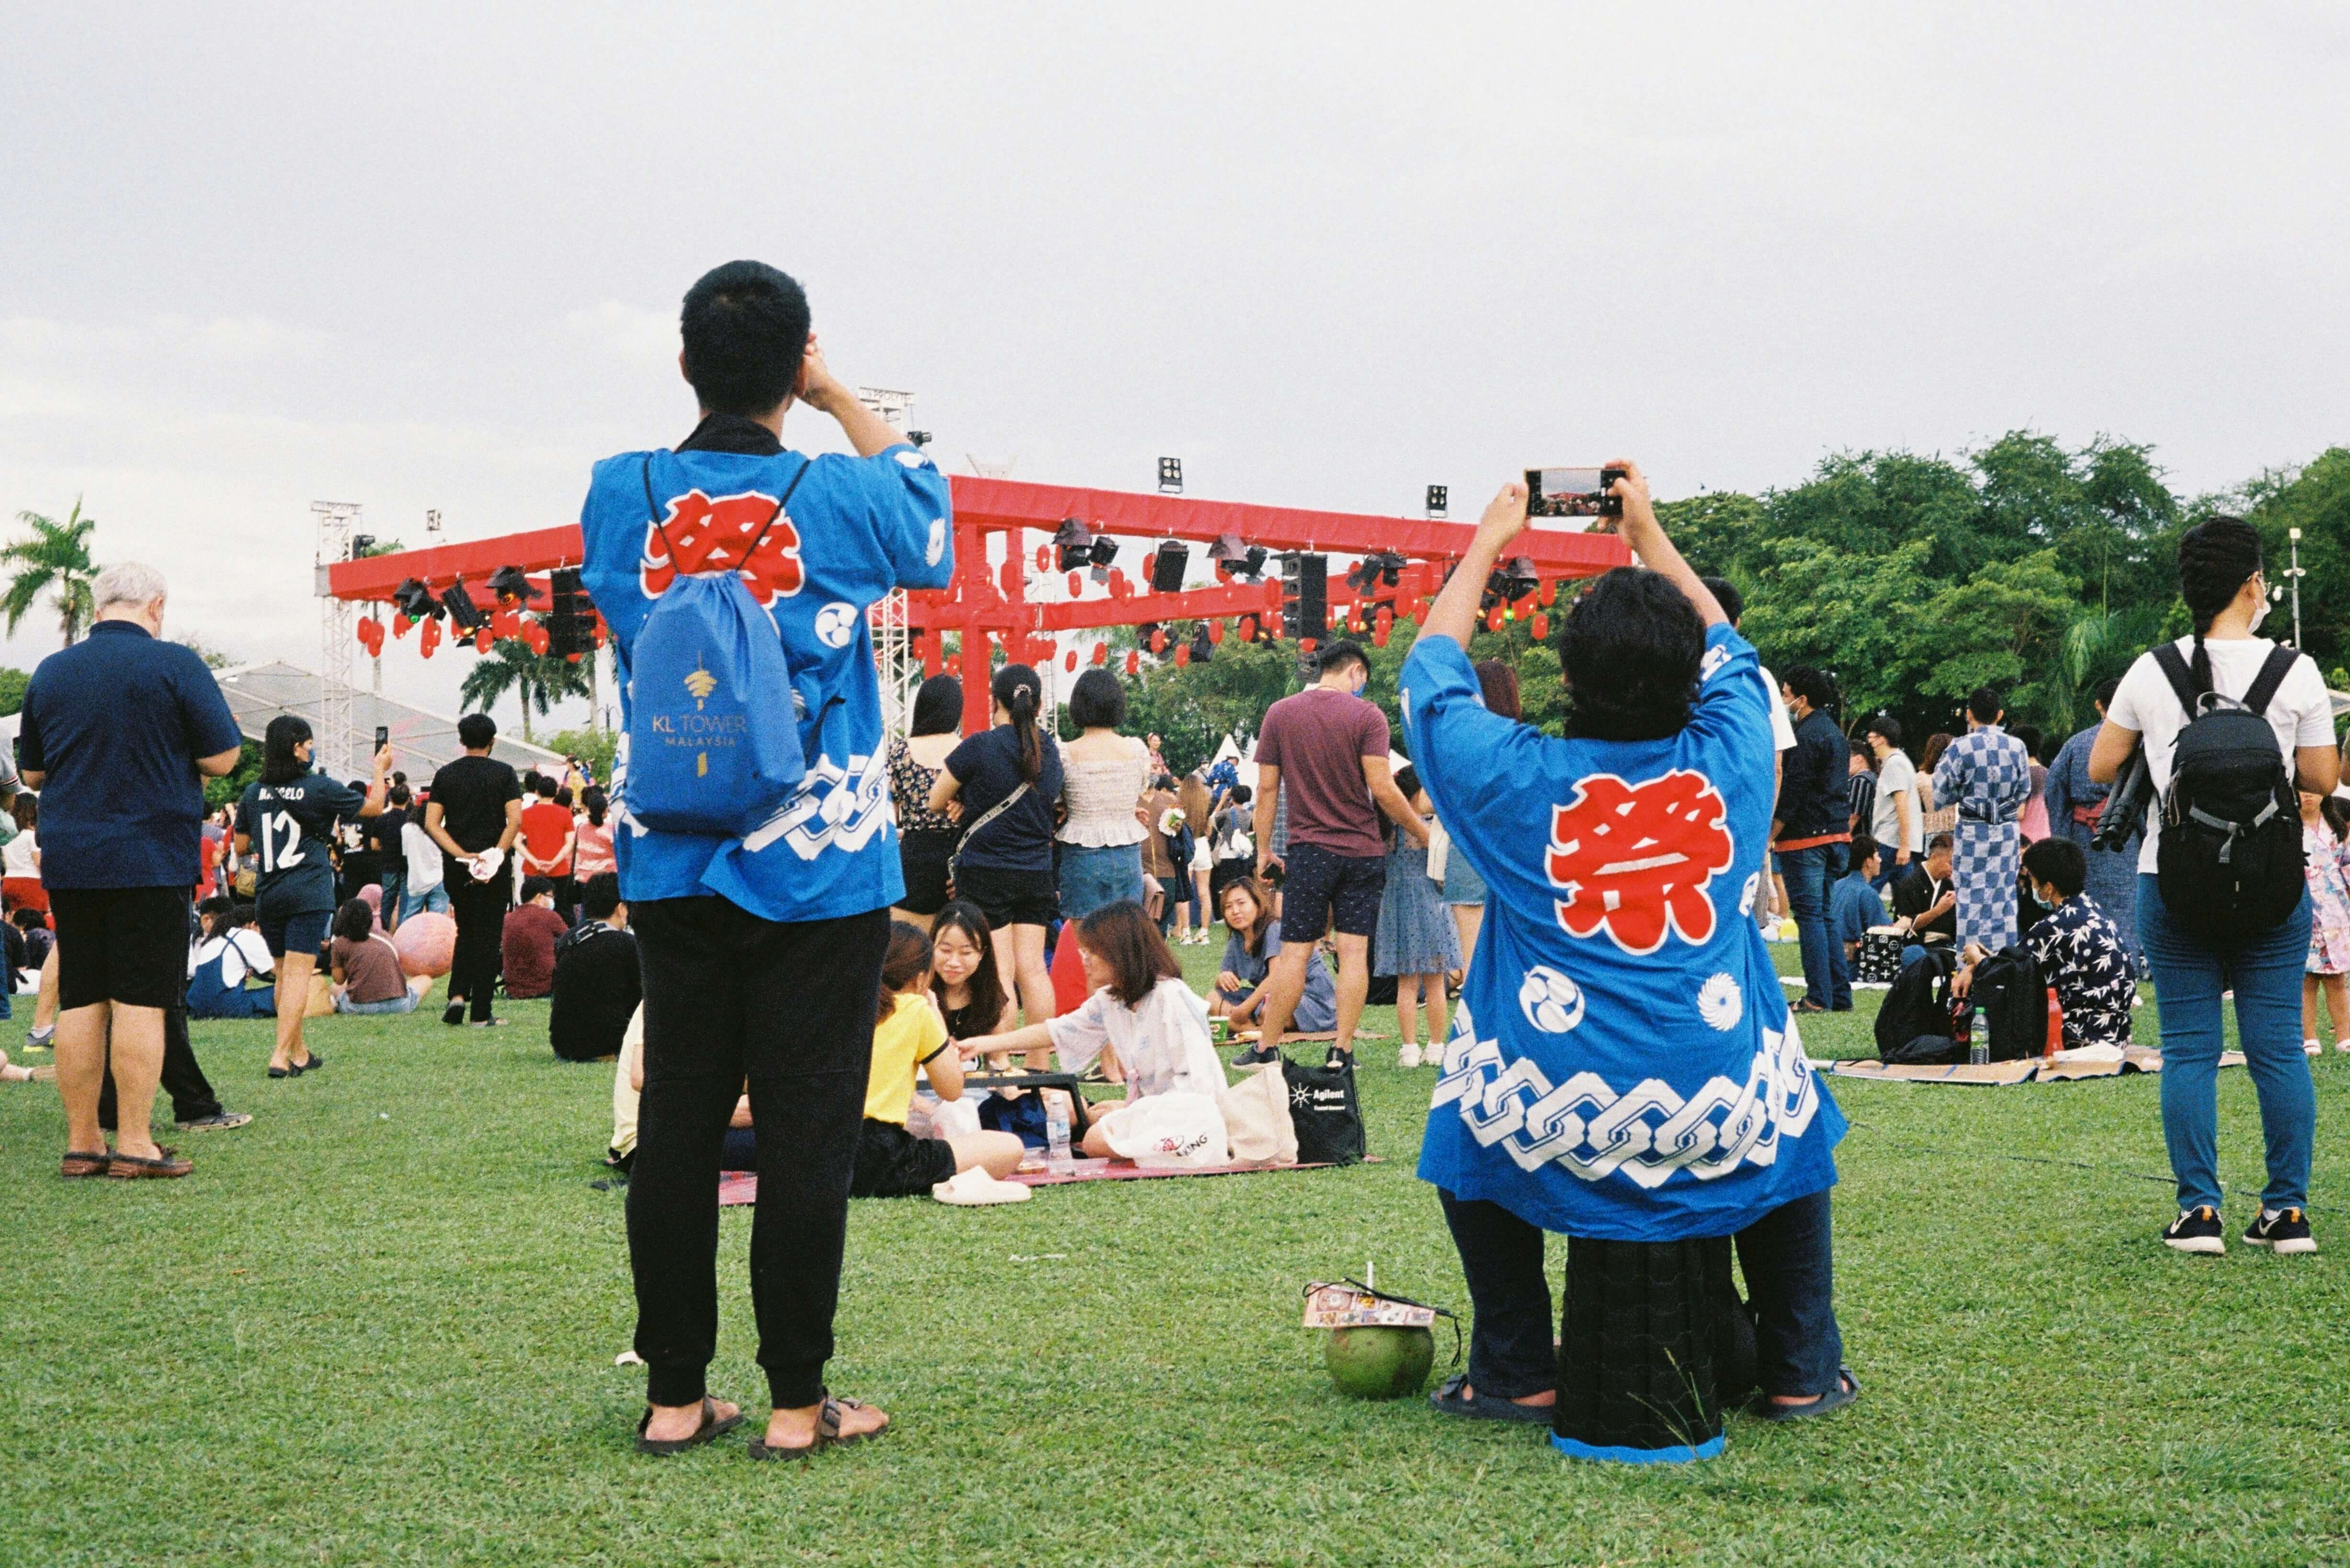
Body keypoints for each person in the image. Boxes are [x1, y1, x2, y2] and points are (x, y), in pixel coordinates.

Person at [579, 259, 952, 1457]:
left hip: (673, 853)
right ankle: (798, 1399)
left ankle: (675, 1393)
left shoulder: (616, 493)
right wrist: (837, 393)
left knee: (679, 1119)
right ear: (794, 362)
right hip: (819, 860)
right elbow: (929, 517)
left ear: (685, 362)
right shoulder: (841, 498)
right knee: (806, 1131)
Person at [1403, 467, 1853, 1426]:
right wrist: (1644, 532)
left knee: (1459, 1116)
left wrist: (1486, 540)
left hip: (1547, 1113)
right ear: (1692, 678)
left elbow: (1431, 676)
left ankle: (1516, 1366)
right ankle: (1799, 1367)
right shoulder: (1732, 750)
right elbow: (1738, 658)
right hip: (1721, 1105)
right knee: (1796, 1121)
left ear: (1566, 679)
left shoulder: (1513, 777)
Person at [2093, 515, 2336, 1257]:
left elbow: (2103, 767)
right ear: (2253, 582)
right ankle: (2285, 1212)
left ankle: (2199, 1211)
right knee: (2278, 1053)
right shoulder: (2293, 670)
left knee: (2190, 1050)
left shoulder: (2150, 668)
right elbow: (2322, 779)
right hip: (2271, 887)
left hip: (2174, 883)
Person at [20, 562, 246, 1179]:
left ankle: (83, 1141)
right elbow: (224, 757)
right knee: (142, 1000)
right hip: (149, 855)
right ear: (157, 605)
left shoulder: (51, 670)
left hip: (72, 856)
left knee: (82, 999)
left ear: (97, 607)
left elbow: (33, 775)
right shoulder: (176, 663)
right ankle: (138, 1142)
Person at [1244, 639, 1426, 1066]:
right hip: (1362, 852)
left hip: (1309, 852)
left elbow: (1267, 790)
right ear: (1356, 672)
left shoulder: (1280, 713)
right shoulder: (1368, 716)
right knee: (1352, 953)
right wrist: (1423, 831)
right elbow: (1382, 788)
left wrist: (1263, 850)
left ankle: (1266, 1049)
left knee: (1295, 953)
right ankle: (1341, 1051)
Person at [959, 901, 1226, 1159]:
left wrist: (1136, 1111)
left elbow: (1197, 1089)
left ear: (1120, 952)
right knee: (1083, 1112)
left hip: (1191, 1116)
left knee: (1096, 1138)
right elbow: (1057, 1031)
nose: (1083, 959)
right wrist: (984, 1044)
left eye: (1091, 952)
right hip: (1154, 1111)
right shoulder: (1112, 999)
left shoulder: (1171, 997)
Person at [236, 715, 393, 1076]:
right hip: (307, 888)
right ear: (296, 748)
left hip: (269, 890)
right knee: (298, 977)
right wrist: (379, 770)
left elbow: (243, 845)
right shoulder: (317, 787)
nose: (311, 750)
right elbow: (372, 808)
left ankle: (300, 1051)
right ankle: (279, 1055)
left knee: (282, 974)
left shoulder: (252, 792)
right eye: (308, 744)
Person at [932, 664, 1064, 1046]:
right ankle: (1039, 1067)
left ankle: (1001, 1062)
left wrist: (962, 802)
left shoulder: (979, 746)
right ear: (1038, 705)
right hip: (1036, 870)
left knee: (1001, 972)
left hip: (987, 870)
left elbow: (935, 799)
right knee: (1035, 971)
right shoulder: (1050, 752)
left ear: (995, 701)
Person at [853, 921, 1025, 1196]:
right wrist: (933, 1012)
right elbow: (952, 1089)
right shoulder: (914, 1007)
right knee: (1009, 1147)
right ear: (922, 978)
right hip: (878, 1153)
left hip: (815, 1150)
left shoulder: (836, 1002)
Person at [1950, 837, 2134, 1055]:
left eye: (2033, 880)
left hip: (2080, 1034)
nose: (2031, 885)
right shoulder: (2093, 912)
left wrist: (1974, 961)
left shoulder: (2055, 926)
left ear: (2048, 888)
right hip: (2116, 1032)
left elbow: (2006, 975)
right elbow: (2018, 962)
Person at [1700, 578, 1800, 938]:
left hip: (1691, 823)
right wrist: (1765, 831)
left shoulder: (1672, 672)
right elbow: (1775, 765)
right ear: (1737, 624)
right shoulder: (1756, 676)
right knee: (1745, 931)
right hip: (1744, 821)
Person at [425, 713, 523, 1027]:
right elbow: (515, 821)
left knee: (466, 929)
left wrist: (461, 854)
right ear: (492, 741)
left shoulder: (445, 775)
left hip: (457, 867)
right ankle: (481, 1012)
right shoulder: (505, 774)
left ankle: (457, 995)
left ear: (462, 741)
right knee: (489, 935)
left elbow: (432, 824)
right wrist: (495, 855)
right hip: (494, 866)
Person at [2042, 679, 2141, 974]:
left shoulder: (2076, 743)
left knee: (2084, 904)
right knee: (2125, 904)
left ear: (2098, 705)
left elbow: (2055, 791)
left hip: (2083, 837)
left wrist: (2062, 837)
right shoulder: (2140, 742)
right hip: (2127, 835)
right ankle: (2125, 971)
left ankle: (2085, 968)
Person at [1774, 665, 1852, 1014]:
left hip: (1806, 838)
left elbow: (1792, 791)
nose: (1782, 699)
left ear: (1802, 700)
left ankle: (1818, 997)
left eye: (1786, 694)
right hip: (1837, 834)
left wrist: (1771, 834)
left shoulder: (1804, 737)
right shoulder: (1835, 734)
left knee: (1809, 916)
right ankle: (1839, 995)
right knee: (1824, 915)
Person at [1932, 689, 2031, 952]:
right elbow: (2024, 790)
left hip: (1972, 831)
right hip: (2007, 831)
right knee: (2004, 897)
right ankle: (2004, 962)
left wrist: (1965, 794)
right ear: (2000, 715)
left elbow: (1939, 794)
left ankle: (1969, 961)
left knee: (1971, 898)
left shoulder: (1960, 748)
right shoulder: (2017, 747)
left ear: (1969, 714)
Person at [1375, 764, 1460, 1068]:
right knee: (1436, 983)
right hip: (1431, 904)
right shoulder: (1431, 827)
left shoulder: (1387, 828)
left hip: (1398, 906)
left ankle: (1410, 1048)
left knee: (1407, 984)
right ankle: (1436, 1045)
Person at [1442, 661, 1519, 981]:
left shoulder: (1464, 742)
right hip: (1514, 856)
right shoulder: (1522, 743)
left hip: (1468, 852)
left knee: (1473, 961)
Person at [1054, 668, 1150, 924]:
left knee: (1085, 945)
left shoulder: (1064, 752)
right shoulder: (1137, 750)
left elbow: (1055, 800)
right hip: (1128, 855)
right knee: (1126, 939)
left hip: (1082, 856)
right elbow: (1140, 788)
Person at [888, 674, 964, 930]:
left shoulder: (899, 752)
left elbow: (890, 817)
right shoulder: (968, 751)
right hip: (958, 859)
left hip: (913, 858)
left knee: (908, 957)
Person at [1212, 876, 1335, 1034]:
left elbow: (1277, 977)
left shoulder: (1274, 929)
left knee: (1268, 1012)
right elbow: (1224, 981)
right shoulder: (1238, 938)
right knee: (1212, 1000)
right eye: (1228, 907)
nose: (1235, 911)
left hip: (1310, 1000)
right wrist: (1221, 979)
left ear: (1258, 905)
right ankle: (1256, 1031)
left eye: (1241, 903)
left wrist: (1244, 1010)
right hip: (1271, 997)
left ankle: (1256, 1029)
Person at [549, 873, 641, 1062]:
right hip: (607, 1045)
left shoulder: (569, 938)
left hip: (563, 1045)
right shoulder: (627, 944)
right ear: (621, 908)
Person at [929, 901, 1016, 1043]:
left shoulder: (989, 993)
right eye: (945, 950)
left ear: (982, 954)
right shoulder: (915, 992)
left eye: (966, 952)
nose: (953, 962)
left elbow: (997, 1060)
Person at [328, 898, 430, 1014]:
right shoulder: (385, 936)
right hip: (398, 1006)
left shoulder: (340, 943)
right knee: (425, 979)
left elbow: (339, 980)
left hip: (358, 1008)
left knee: (334, 988)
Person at [186, 900, 276, 1020]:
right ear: (254, 925)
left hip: (196, 1007)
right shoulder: (248, 936)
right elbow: (280, 973)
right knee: (290, 990)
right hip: (226, 1005)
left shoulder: (213, 939)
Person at [1863, 714, 1921, 890]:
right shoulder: (1900, 761)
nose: (1869, 742)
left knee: (1868, 890)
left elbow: (1902, 805)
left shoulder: (1894, 764)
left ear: (1881, 739)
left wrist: (1904, 845)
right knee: (1906, 899)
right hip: (1899, 843)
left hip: (1890, 842)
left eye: (1871, 737)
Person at [1890, 832, 1959, 966]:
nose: (1953, 869)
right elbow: (1905, 926)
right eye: (1950, 863)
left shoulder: (1951, 885)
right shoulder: (1908, 884)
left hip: (1948, 947)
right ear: (1934, 858)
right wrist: (1939, 910)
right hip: (1920, 946)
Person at [518, 773, 580, 924]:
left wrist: (534, 861)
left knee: (533, 912)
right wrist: (553, 863)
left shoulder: (525, 814)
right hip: (559, 870)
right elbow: (570, 843)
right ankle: (567, 944)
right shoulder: (565, 814)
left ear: (537, 792)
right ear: (556, 793)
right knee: (562, 911)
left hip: (533, 870)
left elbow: (517, 842)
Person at [1831, 836, 1890, 983]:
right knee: (1914, 953)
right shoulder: (1867, 893)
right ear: (1868, 862)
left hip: (1829, 962)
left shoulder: (1836, 886)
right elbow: (1883, 933)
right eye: (1877, 856)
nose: (1880, 860)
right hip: (1854, 966)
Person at [501, 876, 569, 1000]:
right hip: (545, 987)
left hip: (514, 989)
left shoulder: (508, 919)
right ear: (539, 897)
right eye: (550, 896)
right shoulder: (549, 916)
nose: (552, 900)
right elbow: (570, 939)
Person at [1139, 773, 1186, 938]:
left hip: (1167, 869)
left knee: (1162, 919)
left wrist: (1179, 827)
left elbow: (1181, 834)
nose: (1151, 772)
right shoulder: (1131, 801)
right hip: (1141, 871)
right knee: (1142, 920)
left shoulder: (1169, 802)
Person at [398, 792, 450, 921]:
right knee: (437, 920)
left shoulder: (407, 829)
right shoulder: (440, 830)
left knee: (411, 919)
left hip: (416, 881)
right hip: (439, 879)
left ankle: (405, 940)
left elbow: (406, 854)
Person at [369, 783, 411, 932]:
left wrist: (387, 848)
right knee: (405, 905)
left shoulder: (382, 819)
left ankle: (382, 932)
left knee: (387, 902)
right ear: (408, 799)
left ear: (390, 799)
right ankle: (402, 934)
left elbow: (374, 845)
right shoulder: (411, 819)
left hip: (388, 865)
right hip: (408, 867)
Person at [1179, 770, 1215, 943]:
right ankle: (1204, 933)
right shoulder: (1206, 805)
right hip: (1202, 846)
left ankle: (1185, 933)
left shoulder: (1179, 805)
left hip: (1186, 847)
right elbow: (1209, 832)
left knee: (1185, 893)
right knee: (1204, 892)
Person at [1207, 783, 1256, 906]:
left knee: (1227, 887)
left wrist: (1222, 800)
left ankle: (1226, 909)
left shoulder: (1228, 813)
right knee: (1243, 886)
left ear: (1232, 798)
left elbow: (1212, 820)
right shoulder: (1250, 815)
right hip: (1245, 854)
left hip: (1228, 854)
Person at [1, 795, 44, 917]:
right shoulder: (31, 836)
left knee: (13, 921)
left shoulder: (7, 837)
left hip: (9, 881)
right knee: (35, 921)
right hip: (31, 883)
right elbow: (39, 863)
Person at [1918, 732, 1957, 839]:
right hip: (1962, 830)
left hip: (1933, 831)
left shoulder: (1920, 778)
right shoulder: (1960, 774)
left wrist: (1929, 819)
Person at [1845, 739, 1876, 841]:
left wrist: (1843, 839)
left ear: (1859, 758)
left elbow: (1854, 816)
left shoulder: (1861, 780)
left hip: (1861, 842)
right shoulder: (1873, 777)